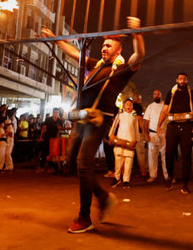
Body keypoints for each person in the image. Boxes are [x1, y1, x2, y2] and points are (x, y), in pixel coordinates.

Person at [41, 15, 144, 234]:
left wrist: (136, 34)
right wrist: (56, 41)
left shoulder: (121, 70)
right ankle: (104, 198)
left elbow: (139, 55)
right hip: (82, 119)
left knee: (83, 162)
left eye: (109, 45)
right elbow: (74, 54)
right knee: (72, 163)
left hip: (99, 120)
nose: (104, 48)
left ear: (118, 50)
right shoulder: (96, 65)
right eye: (103, 45)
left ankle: (84, 217)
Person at [157, 72, 193, 194]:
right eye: (180, 79)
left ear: (187, 81)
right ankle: (170, 177)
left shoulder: (191, 93)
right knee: (169, 154)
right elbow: (164, 110)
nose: (182, 81)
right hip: (172, 127)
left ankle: (185, 184)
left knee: (186, 156)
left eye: (184, 79)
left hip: (187, 127)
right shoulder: (171, 93)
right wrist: (158, 125)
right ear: (177, 80)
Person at [108, 99, 139, 188]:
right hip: (120, 139)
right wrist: (111, 136)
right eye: (127, 104)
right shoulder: (120, 114)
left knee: (128, 163)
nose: (129, 106)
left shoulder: (134, 115)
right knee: (118, 161)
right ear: (124, 106)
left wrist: (136, 140)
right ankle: (117, 178)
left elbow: (136, 128)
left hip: (130, 140)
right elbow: (114, 125)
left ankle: (126, 180)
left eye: (130, 105)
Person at [143, 89, 168, 183]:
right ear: (153, 96)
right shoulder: (150, 107)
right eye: (155, 94)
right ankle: (152, 175)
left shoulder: (165, 105)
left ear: (161, 95)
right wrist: (146, 134)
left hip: (163, 133)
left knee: (164, 155)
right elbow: (146, 121)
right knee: (152, 155)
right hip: (152, 133)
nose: (156, 96)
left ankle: (167, 175)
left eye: (158, 94)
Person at [131, 94, 147, 178]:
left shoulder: (127, 107)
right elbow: (140, 119)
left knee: (128, 153)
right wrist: (144, 131)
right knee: (140, 152)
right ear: (137, 99)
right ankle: (143, 171)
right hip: (137, 132)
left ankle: (125, 173)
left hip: (129, 132)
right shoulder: (138, 106)